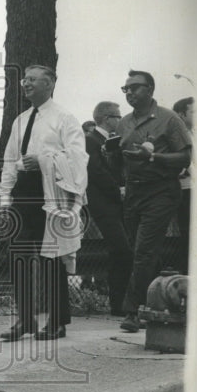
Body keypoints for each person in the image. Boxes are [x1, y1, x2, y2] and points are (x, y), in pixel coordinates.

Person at [0, 64, 87, 341]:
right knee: (20, 257)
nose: (26, 83)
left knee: (52, 257)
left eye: (33, 79)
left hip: (51, 192)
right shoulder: (20, 120)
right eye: (25, 79)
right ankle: (25, 319)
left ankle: (56, 321)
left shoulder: (65, 118)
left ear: (50, 84)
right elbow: (10, 160)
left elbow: (77, 157)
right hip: (24, 194)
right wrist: (5, 199)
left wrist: (44, 160)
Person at [116, 71, 192, 333]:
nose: (129, 93)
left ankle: (132, 312)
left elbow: (184, 157)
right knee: (137, 251)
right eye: (125, 89)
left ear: (150, 89)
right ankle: (160, 302)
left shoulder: (168, 119)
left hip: (161, 191)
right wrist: (111, 154)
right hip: (134, 193)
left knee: (144, 250)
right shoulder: (124, 123)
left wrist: (153, 158)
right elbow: (119, 160)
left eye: (134, 88)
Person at [84, 101, 133, 315]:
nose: (120, 120)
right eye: (117, 116)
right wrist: (118, 190)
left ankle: (119, 303)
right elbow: (95, 171)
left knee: (119, 252)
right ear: (106, 118)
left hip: (114, 203)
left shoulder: (108, 141)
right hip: (103, 203)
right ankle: (119, 303)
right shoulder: (90, 141)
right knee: (122, 250)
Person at [172, 96, 194, 274]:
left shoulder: (196, 133)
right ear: (182, 114)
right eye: (194, 112)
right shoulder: (176, 135)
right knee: (188, 234)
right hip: (186, 190)